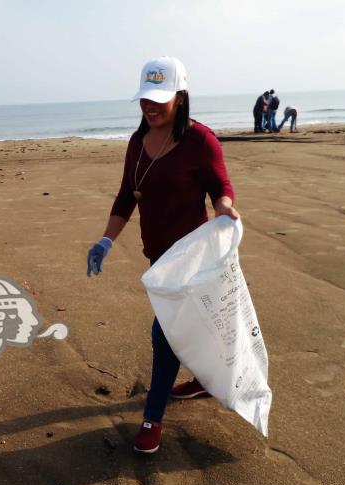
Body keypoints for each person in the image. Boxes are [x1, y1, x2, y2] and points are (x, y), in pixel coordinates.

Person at [86, 56, 239, 454]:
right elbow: (126, 196)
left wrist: (223, 205)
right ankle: (206, 378)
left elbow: (221, 184)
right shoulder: (137, 143)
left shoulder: (199, 141)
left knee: (165, 332)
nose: (150, 108)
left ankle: (152, 417)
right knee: (192, 324)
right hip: (159, 257)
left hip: (194, 257)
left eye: (159, 100)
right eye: (144, 100)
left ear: (180, 97)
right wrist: (106, 240)